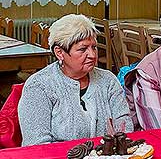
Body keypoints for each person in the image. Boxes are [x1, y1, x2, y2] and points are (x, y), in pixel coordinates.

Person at [18, 14, 133, 146]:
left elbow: (124, 127)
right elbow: (37, 145)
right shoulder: (39, 86)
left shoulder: (108, 80)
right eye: (83, 49)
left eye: (94, 47)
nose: (92, 55)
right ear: (59, 52)